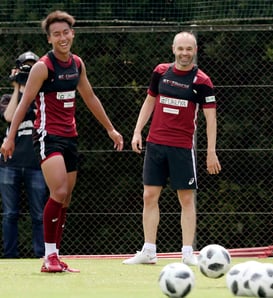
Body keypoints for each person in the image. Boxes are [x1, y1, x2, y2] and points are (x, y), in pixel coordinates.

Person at [0, 10, 124, 273]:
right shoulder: (42, 67)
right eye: (56, 34)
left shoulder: (77, 64)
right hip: (47, 136)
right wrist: (10, 138)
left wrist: (111, 129)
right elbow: (24, 104)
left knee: (65, 199)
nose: (62, 37)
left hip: (70, 137)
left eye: (66, 32)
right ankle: (48, 258)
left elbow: (90, 97)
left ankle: (55, 255)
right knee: (58, 192)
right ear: (49, 39)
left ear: (73, 33)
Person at [122, 31, 221, 266]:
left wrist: (210, 151)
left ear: (195, 51)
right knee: (149, 196)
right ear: (173, 49)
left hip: (182, 148)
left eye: (189, 49)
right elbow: (150, 101)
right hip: (155, 144)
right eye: (181, 48)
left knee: (186, 199)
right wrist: (137, 131)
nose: (184, 53)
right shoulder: (160, 72)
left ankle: (187, 253)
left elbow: (211, 118)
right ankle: (148, 251)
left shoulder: (202, 81)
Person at [0, 51, 48, 259]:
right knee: (10, 213)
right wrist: (18, 87)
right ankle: (10, 256)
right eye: (25, 68)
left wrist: (33, 87)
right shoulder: (8, 98)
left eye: (32, 68)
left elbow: (42, 115)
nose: (28, 72)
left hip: (36, 164)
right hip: (9, 164)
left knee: (39, 214)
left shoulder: (44, 97)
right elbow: (10, 117)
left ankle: (42, 255)